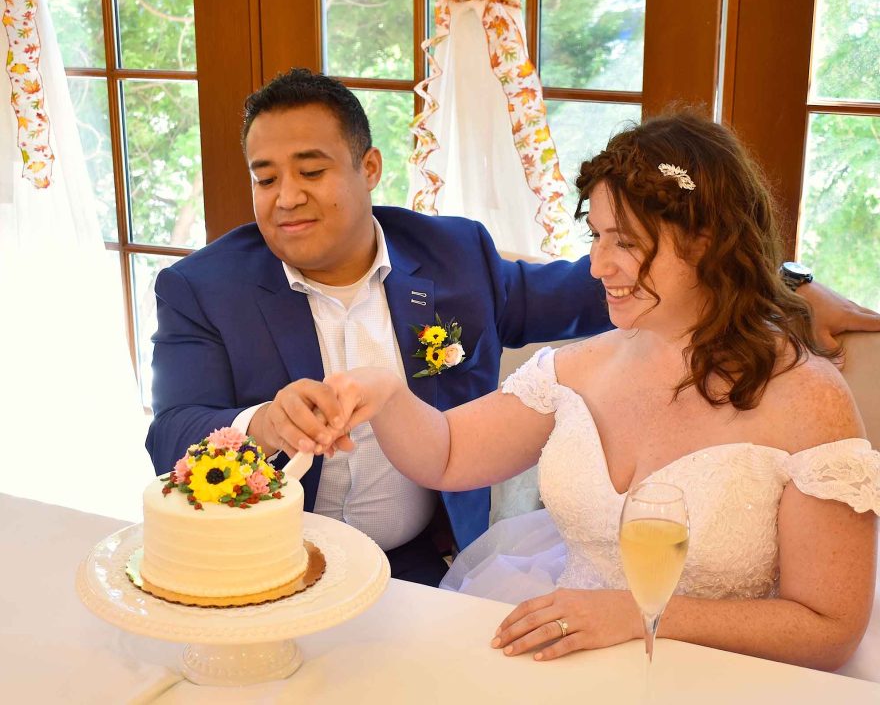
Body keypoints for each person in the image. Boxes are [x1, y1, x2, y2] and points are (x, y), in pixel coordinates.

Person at [146, 67, 877, 588]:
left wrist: (785, 280)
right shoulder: (200, 287)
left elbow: (635, 282)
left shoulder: (454, 256)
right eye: (264, 176)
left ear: (368, 167)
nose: (285, 197)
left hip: (420, 567)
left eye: (310, 169)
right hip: (264, 561)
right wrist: (264, 425)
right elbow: (170, 433)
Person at [308, 112, 880, 671]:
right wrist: (385, 391)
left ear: (707, 241)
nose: (598, 265)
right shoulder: (575, 370)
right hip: (570, 664)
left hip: (724, 675)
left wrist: (638, 614)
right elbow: (449, 453)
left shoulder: (809, 399)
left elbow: (828, 628)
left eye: (625, 242)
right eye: (596, 236)